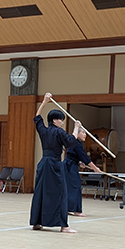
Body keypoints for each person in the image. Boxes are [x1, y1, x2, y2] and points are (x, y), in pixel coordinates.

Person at [30, 93, 81, 233]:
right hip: (55, 164)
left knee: (40, 192)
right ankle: (64, 226)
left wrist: (44, 101)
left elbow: (37, 117)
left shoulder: (44, 130)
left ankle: (36, 223)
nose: (62, 122)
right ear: (54, 120)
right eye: (61, 120)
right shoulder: (59, 132)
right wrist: (76, 127)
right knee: (61, 193)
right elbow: (71, 142)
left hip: (43, 164)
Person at [63, 128, 101, 217]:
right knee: (75, 187)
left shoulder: (75, 142)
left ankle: (67, 208)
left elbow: (74, 155)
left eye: (85, 133)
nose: (85, 135)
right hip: (69, 166)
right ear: (77, 133)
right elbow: (84, 157)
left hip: (69, 165)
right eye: (83, 132)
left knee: (70, 187)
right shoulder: (75, 143)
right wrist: (95, 168)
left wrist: (79, 163)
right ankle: (76, 210)